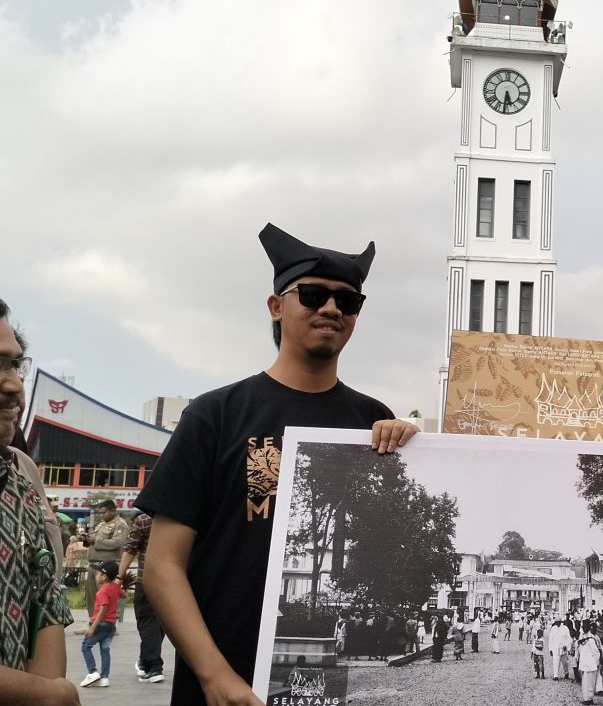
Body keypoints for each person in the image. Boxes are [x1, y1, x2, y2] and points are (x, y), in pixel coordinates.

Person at [135, 224, 418, 706]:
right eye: (312, 295)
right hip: (225, 684)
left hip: (329, 686)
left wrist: (414, 447)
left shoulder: (371, 420)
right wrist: (214, 677)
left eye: (349, 302)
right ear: (276, 306)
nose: (331, 308)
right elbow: (162, 564)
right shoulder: (215, 415)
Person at [0, 299, 78, 705]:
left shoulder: (22, 474)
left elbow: (45, 595)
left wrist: (47, 690)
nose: (13, 385)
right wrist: (44, 695)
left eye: (14, 365)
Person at [118, 511, 166, 684]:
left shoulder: (144, 520)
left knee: (147, 622)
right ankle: (145, 662)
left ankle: (154, 666)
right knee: (160, 624)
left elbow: (130, 549)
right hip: (174, 584)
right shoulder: (181, 519)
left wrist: (119, 577)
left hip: (147, 580)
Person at [83, 500, 129, 619]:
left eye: (104, 513)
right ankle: (92, 621)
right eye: (100, 513)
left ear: (113, 511)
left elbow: (117, 542)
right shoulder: (102, 524)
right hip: (94, 565)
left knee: (105, 597)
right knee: (91, 596)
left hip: (107, 566)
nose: (101, 515)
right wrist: (87, 539)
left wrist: (96, 541)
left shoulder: (120, 524)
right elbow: (93, 540)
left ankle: (107, 622)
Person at [79, 561, 122, 688]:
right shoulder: (115, 588)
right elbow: (123, 594)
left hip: (100, 624)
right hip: (111, 626)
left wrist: (92, 627)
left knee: (85, 647)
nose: (96, 576)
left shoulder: (102, 592)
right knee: (105, 650)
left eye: (98, 574)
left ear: (104, 576)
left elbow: (103, 608)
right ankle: (104, 678)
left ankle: (92, 672)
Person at [577, 621, 602, 704]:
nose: (584, 628)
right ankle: (586, 699)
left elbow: (596, 653)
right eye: (583, 627)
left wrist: (596, 663)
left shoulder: (591, 639)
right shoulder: (581, 636)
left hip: (591, 664)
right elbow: (580, 649)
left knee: (590, 683)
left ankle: (589, 699)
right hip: (584, 663)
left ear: (589, 627)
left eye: (586, 627)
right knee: (585, 682)